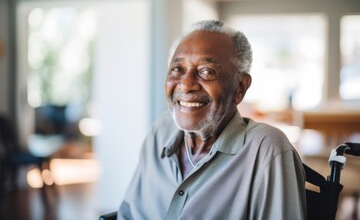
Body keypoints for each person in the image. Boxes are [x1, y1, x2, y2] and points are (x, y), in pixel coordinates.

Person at [118, 20, 306, 219]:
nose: (186, 84)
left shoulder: (266, 149)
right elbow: (128, 213)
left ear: (240, 87)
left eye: (206, 72)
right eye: (177, 69)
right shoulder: (160, 131)